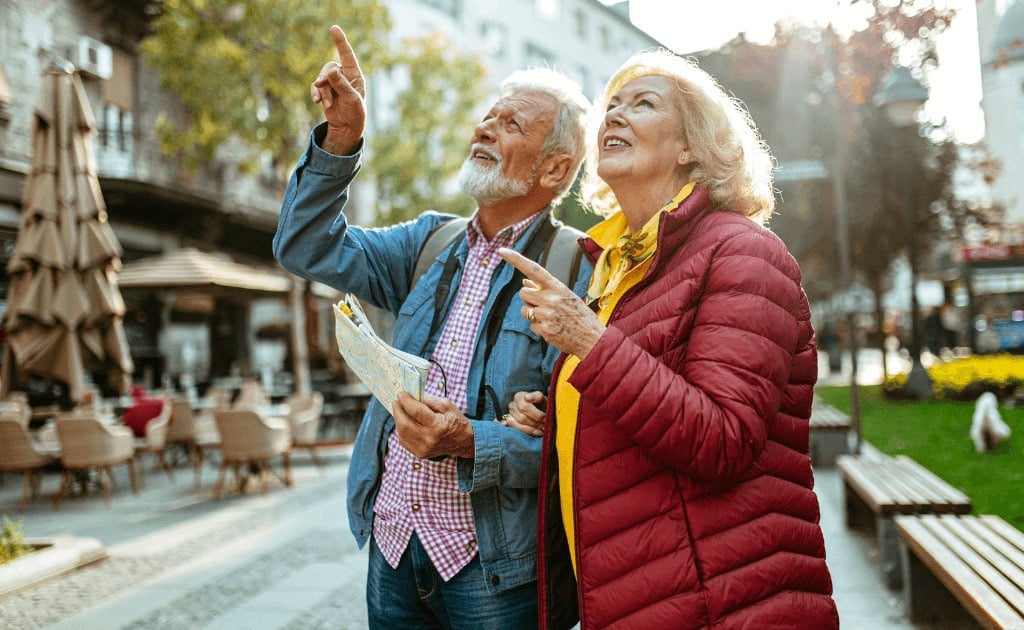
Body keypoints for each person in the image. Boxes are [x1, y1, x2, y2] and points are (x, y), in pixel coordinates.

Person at [499, 49, 839, 629]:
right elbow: (634, 395)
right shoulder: (617, 264)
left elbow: (723, 439)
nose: (615, 117)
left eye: (644, 104)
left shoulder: (744, 252)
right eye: (612, 108)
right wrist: (558, 412)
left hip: (726, 604)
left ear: (690, 147)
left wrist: (588, 341)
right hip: (645, 597)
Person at [272, 25, 592, 629]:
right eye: (488, 116)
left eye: (511, 124)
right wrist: (341, 141)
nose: (484, 128)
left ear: (554, 170)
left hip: (494, 567)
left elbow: (578, 448)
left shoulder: (577, 272)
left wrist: (470, 441)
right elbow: (304, 247)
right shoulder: (429, 241)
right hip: (392, 542)